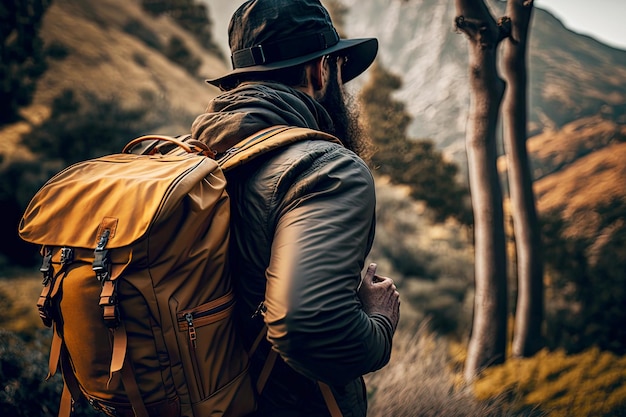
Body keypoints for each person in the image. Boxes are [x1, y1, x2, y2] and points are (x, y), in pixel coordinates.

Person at [191, 0, 400, 415]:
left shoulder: (199, 156)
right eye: (339, 68)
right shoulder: (324, 168)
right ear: (320, 70)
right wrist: (379, 324)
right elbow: (310, 327)